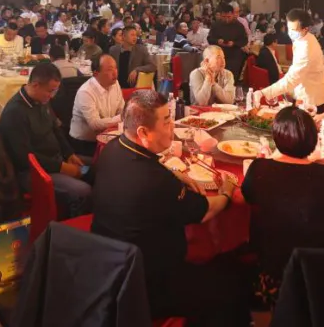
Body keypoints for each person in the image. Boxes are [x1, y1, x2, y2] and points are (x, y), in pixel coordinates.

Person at [91, 91, 247, 326]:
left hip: (106, 259)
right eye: (166, 121)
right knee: (232, 284)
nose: (173, 126)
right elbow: (205, 210)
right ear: (143, 132)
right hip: (145, 282)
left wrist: (173, 172)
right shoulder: (155, 182)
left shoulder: (113, 148)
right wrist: (226, 191)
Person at [241, 107, 324, 308]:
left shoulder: (260, 168)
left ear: (277, 136)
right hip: (318, 272)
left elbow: (247, 196)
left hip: (273, 270)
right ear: (313, 138)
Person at [0, 62, 91, 218]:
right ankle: (69, 227)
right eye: (50, 91)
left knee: (98, 166)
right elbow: (25, 158)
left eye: (55, 91)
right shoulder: (15, 112)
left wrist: (69, 153)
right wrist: (61, 167)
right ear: (35, 85)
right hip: (33, 172)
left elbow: (55, 129)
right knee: (83, 192)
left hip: (55, 159)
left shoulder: (42, 100)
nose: (52, 96)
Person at [261, 9, 324, 108]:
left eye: (294, 30)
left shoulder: (306, 47)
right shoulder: (302, 38)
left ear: (305, 29)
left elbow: (293, 78)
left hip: (310, 99)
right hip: (302, 93)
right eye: (289, 28)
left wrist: (264, 93)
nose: (290, 33)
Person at [69, 54, 124, 156]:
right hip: (85, 143)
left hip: (108, 136)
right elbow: (95, 124)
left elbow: (121, 109)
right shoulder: (86, 92)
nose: (115, 72)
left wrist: (123, 116)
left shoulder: (115, 84)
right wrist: (121, 117)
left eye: (115, 68)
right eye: (110, 69)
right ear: (96, 73)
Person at [207, 3, 249, 81]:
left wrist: (234, 43)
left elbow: (244, 40)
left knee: (231, 78)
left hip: (234, 56)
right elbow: (209, 39)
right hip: (218, 54)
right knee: (218, 78)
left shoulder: (239, 26)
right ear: (220, 15)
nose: (226, 19)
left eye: (229, 17)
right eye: (224, 17)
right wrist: (217, 41)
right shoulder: (216, 25)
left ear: (233, 14)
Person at [109, 26, 156, 90]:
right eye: (132, 35)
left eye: (136, 35)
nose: (135, 37)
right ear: (124, 37)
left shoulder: (141, 50)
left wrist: (137, 70)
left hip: (134, 88)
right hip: (116, 87)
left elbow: (152, 66)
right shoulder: (113, 50)